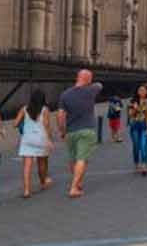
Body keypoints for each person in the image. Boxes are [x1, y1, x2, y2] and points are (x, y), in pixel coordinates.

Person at [57, 69, 103, 198]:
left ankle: (77, 182)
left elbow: (60, 115)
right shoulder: (91, 90)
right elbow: (100, 85)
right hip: (86, 130)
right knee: (82, 159)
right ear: (88, 79)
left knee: (73, 159)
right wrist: (91, 83)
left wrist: (62, 130)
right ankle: (73, 188)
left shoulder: (65, 94)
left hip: (71, 131)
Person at [13, 89, 53, 198]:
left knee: (27, 165)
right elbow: (46, 125)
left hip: (27, 139)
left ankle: (26, 190)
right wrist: (50, 139)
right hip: (41, 139)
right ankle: (43, 182)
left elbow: (15, 123)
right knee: (42, 162)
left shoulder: (24, 109)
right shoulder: (45, 110)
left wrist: (22, 124)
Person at [128, 84, 147, 175]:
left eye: (144, 90)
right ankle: (137, 162)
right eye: (140, 90)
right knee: (136, 147)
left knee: (143, 146)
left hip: (144, 125)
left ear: (146, 92)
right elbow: (130, 115)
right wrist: (135, 108)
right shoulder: (132, 101)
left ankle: (144, 165)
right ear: (137, 92)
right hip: (135, 126)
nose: (142, 92)